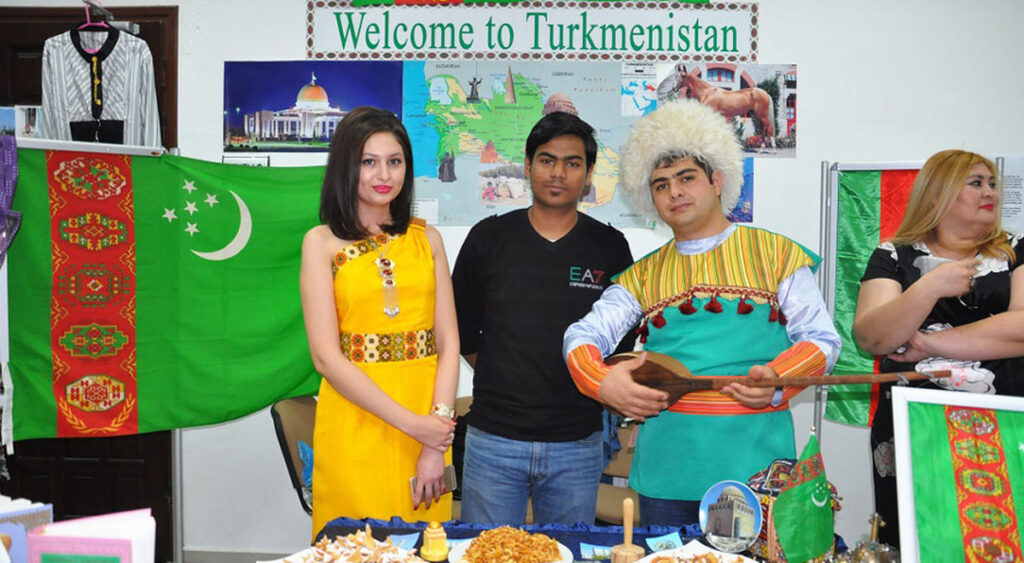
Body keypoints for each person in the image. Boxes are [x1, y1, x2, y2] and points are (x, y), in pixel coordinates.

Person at [563, 99, 841, 527]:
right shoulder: (642, 275)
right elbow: (582, 335)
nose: (674, 192)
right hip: (667, 470)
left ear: (717, 181)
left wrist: (778, 379)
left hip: (756, 468)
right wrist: (602, 382)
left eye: (686, 177)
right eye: (660, 185)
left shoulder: (776, 253)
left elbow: (822, 339)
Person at [452, 111, 635, 525]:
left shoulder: (610, 247)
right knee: (487, 552)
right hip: (494, 439)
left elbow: (621, 342)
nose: (558, 173)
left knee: (568, 551)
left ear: (588, 174)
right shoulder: (488, 238)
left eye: (572, 163)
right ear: (528, 165)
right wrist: (508, 376)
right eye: (547, 160)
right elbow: (460, 329)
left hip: (577, 444)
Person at [300, 106, 459, 537]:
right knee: (355, 546)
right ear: (345, 166)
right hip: (355, 421)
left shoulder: (428, 239)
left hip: (429, 422)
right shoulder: (320, 243)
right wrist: (416, 427)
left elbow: (449, 344)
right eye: (368, 161)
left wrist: (434, 436)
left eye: (395, 161)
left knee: (425, 544)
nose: (383, 174)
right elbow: (326, 358)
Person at [853, 149, 1024, 546]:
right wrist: (930, 286)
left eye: (992, 183)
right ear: (936, 194)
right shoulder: (893, 255)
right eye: (976, 183)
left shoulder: (1017, 250)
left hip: (1004, 424)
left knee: (1001, 535)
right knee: (919, 534)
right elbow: (873, 337)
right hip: (916, 428)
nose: (990, 192)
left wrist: (926, 343)